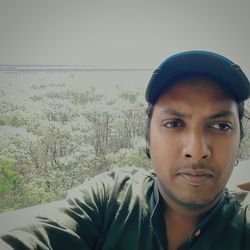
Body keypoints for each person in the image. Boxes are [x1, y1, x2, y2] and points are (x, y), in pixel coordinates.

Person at [0, 51, 250, 250]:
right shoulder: (109, 202)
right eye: (174, 123)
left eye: (220, 126)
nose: (197, 151)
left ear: (240, 141)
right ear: (148, 139)